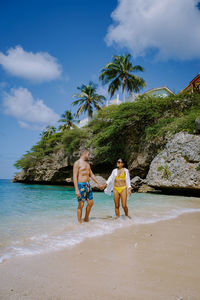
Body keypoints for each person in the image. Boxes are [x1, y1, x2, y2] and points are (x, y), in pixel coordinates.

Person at [73, 149, 104, 223]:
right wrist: (76, 190)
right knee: (81, 204)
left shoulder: (87, 164)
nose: (89, 156)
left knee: (90, 203)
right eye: (88, 154)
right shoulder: (77, 163)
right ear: (84, 153)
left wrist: (98, 183)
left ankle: (86, 219)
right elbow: (74, 176)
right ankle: (79, 222)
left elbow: (92, 175)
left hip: (87, 185)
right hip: (81, 185)